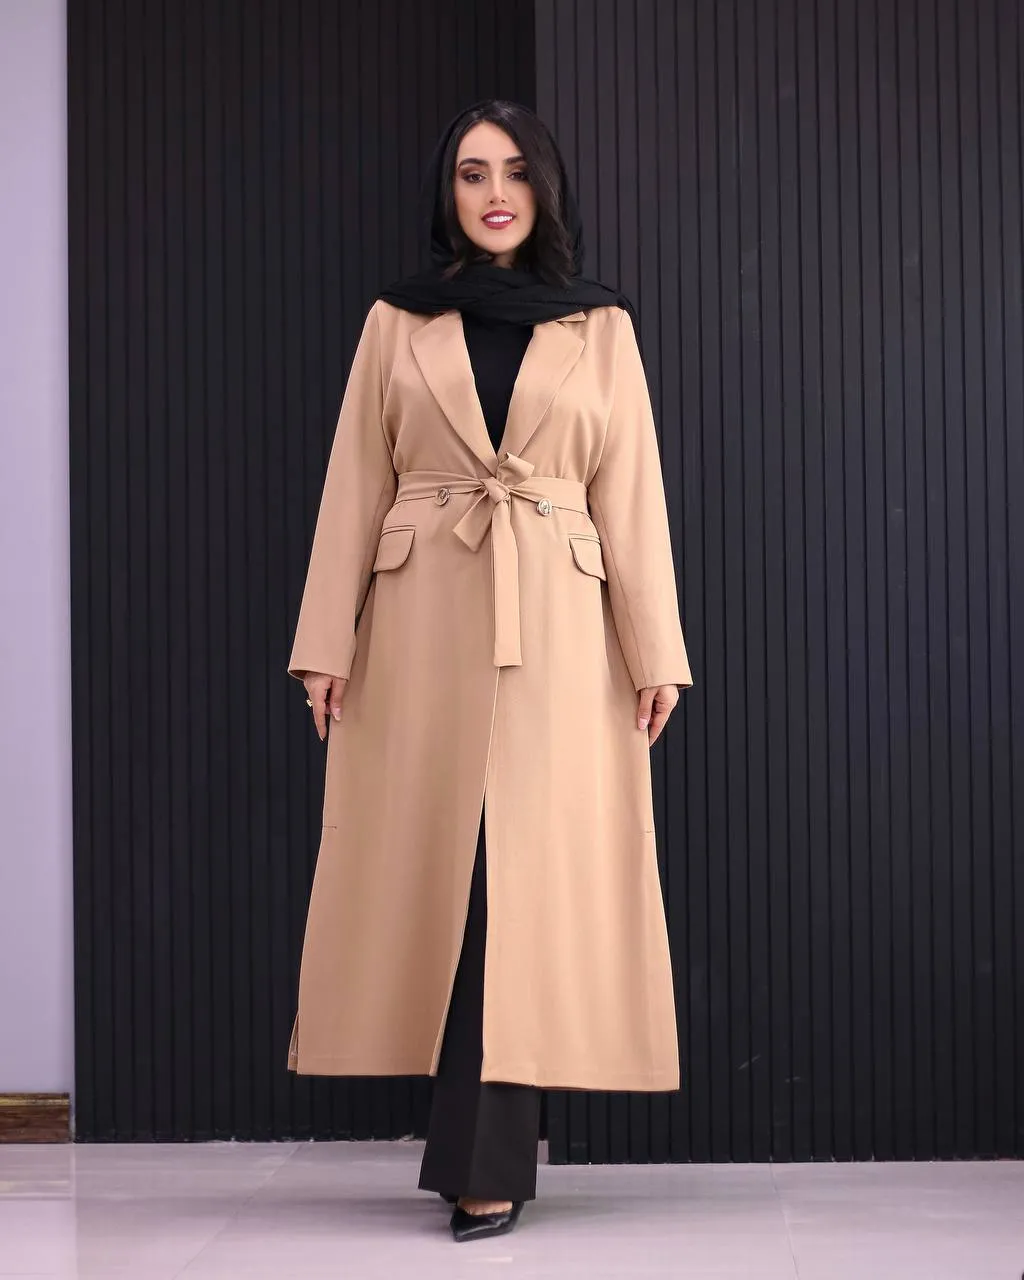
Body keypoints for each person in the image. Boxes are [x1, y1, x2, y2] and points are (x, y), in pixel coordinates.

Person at [285, 99, 694, 1243]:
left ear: (544, 187)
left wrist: (654, 651)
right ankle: (480, 1154)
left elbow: (631, 493)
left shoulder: (599, 325)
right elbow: (353, 483)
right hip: (420, 621)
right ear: (447, 192)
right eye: (471, 173)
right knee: (443, 870)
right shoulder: (396, 320)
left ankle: (483, 1159)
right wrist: (324, 644)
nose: (494, 192)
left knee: (524, 880)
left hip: (559, 625)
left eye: (514, 171)